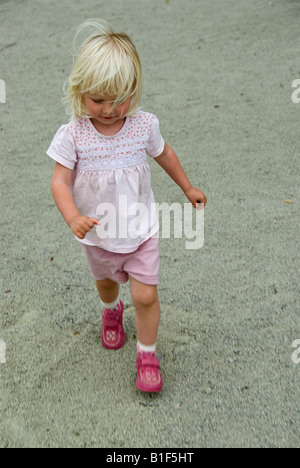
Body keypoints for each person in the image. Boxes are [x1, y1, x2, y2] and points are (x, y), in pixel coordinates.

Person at [47, 19, 207, 393]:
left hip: (140, 229)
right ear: (80, 91)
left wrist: (187, 186)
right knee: (105, 284)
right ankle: (110, 311)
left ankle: (147, 353)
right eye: (98, 99)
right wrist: (72, 215)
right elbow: (59, 181)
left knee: (146, 294)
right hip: (98, 233)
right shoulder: (73, 135)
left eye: (119, 99)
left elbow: (164, 153)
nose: (108, 109)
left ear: (134, 89)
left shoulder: (143, 125)